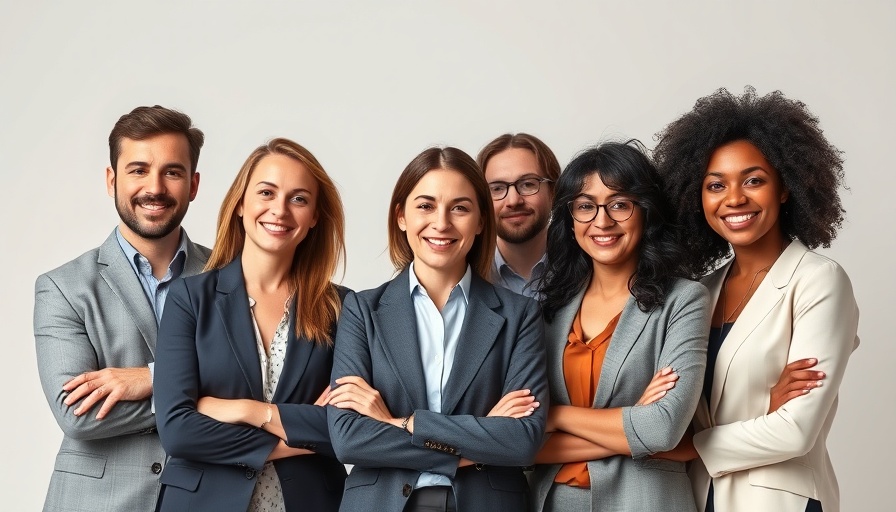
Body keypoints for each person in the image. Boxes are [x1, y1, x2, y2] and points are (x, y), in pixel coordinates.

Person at [653, 87, 860, 512]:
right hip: (695, 498)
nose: (734, 199)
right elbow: (668, 408)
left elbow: (795, 432)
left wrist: (694, 445)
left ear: (785, 188)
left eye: (754, 180)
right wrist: (762, 411)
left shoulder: (819, 281)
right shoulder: (698, 292)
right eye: (715, 185)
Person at [327, 146, 548, 512]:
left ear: (480, 221)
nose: (441, 223)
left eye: (459, 208)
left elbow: (521, 441)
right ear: (401, 216)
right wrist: (478, 435)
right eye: (425, 206)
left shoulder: (520, 314)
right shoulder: (362, 309)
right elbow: (349, 439)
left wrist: (404, 422)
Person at [154, 138, 348, 511]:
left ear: (314, 218)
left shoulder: (342, 307)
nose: (280, 210)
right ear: (241, 203)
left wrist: (248, 411)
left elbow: (344, 427)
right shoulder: (189, 299)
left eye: (299, 199)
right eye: (266, 192)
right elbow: (178, 430)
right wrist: (297, 434)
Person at [34, 105, 209, 512]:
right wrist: (193, 391)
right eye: (138, 170)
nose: (155, 187)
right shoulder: (62, 287)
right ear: (111, 180)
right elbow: (77, 414)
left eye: (172, 171)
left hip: (204, 498)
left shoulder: (232, 277)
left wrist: (149, 379)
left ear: (194, 184)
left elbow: (256, 383)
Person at [530, 141, 710, 511]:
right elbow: (521, 442)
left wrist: (555, 416)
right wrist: (633, 426)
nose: (602, 221)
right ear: (570, 218)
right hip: (550, 502)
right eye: (585, 206)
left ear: (645, 212)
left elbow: (663, 428)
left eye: (619, 204)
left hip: (645, 501)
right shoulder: (548, 308)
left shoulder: (684, 300)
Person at [476, 133, 561, 297]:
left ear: (553, 191)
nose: (513, 201)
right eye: (497, 188)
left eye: (528, 184)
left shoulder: (586, 270)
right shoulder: (466, 274)